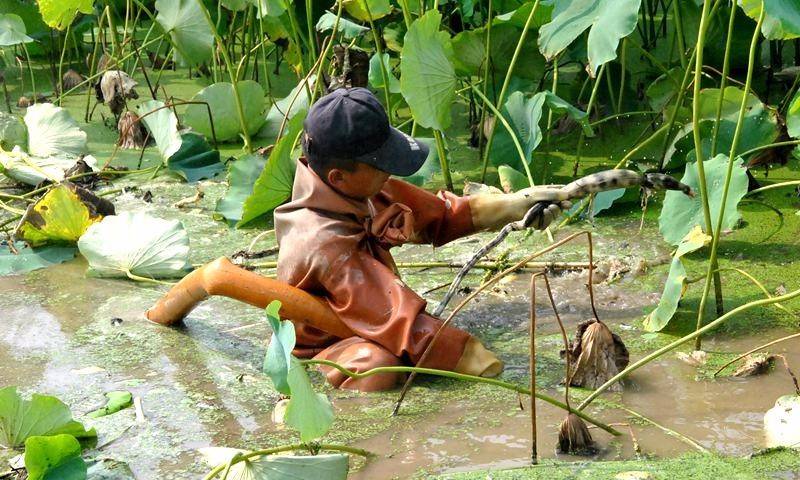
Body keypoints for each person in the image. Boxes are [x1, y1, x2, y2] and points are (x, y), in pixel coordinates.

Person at [273, 87, 570, 392]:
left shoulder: (354, 189)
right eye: (380, 164)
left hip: (369, 315)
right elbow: (400, 322)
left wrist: (517, 205)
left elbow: (439, 215)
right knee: (378, 366)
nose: (389, 171)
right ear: (338, 177)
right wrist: (487, 365)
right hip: (329, 346)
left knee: (406, 353)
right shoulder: (324, 242)